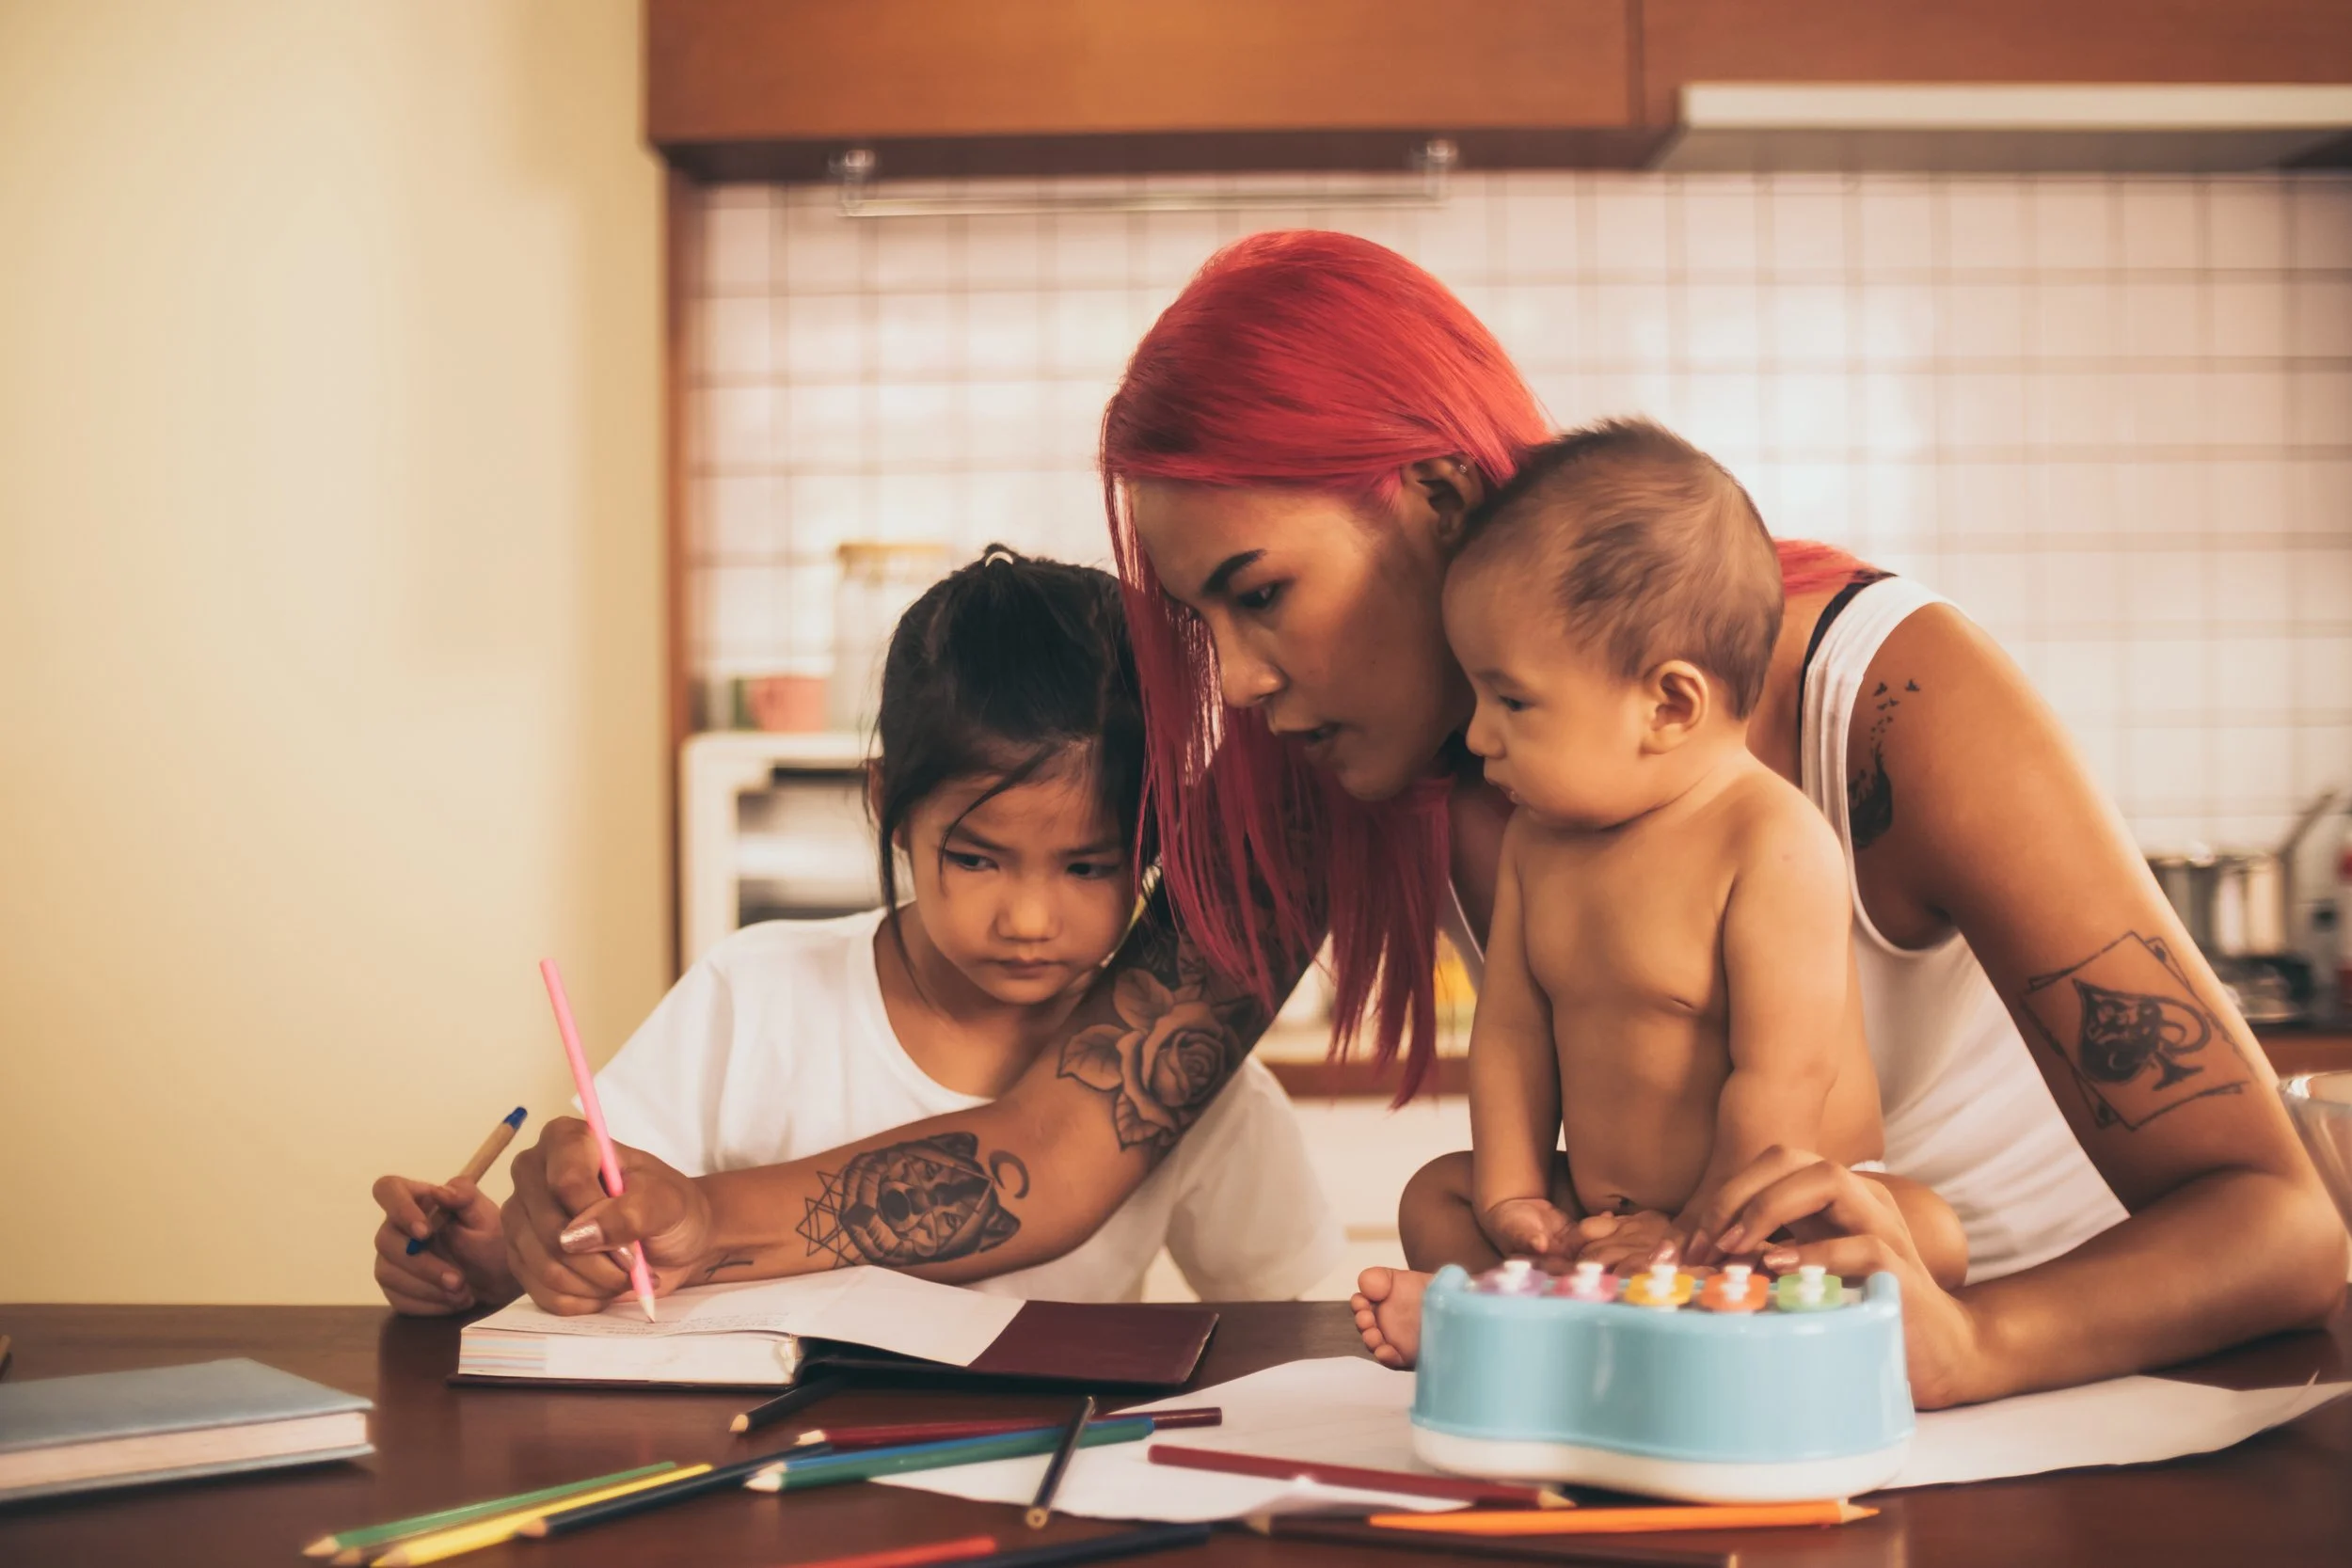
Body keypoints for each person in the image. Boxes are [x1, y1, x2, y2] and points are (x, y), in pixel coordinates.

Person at [1102, 229, 2344, 1407]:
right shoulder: (1377, 767)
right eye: (1198, 626)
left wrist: (1969, 1341)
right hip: (1710, 1371)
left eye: (1260, 593)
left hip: (2078, 1382)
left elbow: (2278, 1224)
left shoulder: (1885, 699)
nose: (1243, 683)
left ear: (1431, 497)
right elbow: (1062, 1144)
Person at [368, 548, 1340, 1314]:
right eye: (976, 856)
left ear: (1158, 832)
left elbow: (1296, 1307)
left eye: (1088, 865)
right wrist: (514, 1255)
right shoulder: (753, 995)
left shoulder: (1192, 1080)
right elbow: (602, 1208)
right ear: (890, 806)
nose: (1030, 917)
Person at [1401, 420, 1965, 1318]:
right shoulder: (1534, 845)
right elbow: (1510, 1036)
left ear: (1667, 703)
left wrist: (1694, 1232)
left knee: (1928, 1232)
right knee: (1436, 1194)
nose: (1475, 735)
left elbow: (1781, 1077)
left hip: (1764, 1211)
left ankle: (1590, 1307)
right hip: (1603, 1211)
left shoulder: (1770, 840)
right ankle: (1572, 1300)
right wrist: (1515, 1200)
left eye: (1509, 699)